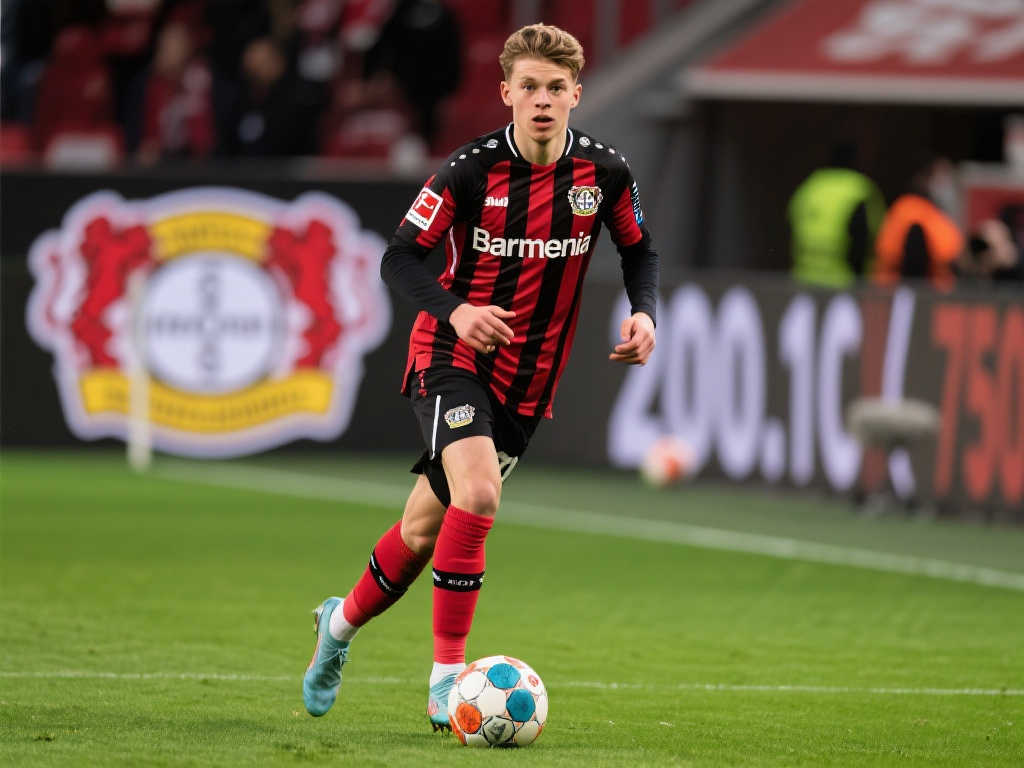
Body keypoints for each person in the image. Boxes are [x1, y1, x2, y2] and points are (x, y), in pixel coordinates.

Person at [301, 23, 659, 730]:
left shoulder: (605, 173)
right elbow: (399, 257)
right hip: (451, 353)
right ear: (505, 93)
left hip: (529, 381)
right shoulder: (469, 171)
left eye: (555, 88)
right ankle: (447, 682)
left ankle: (336, 627)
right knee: (480, 494)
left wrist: (644, 312)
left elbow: (639, 249)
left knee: (422, 531)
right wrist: (458, 311)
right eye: (529, 87)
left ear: (576, 94)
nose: (542, 100)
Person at [789, 143, 886, 288]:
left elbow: (792, 223)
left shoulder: (811, 186)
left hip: (804, 278)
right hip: (843, 281)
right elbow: (863, 237)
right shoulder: (858, 188)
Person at [873, 156, 964, 291]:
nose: (945, 184)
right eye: (940, 176)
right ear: (925, 178)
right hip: (907, 293)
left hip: (932, 293)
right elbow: (913, 262)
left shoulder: (935, 212)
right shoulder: (911, 210)